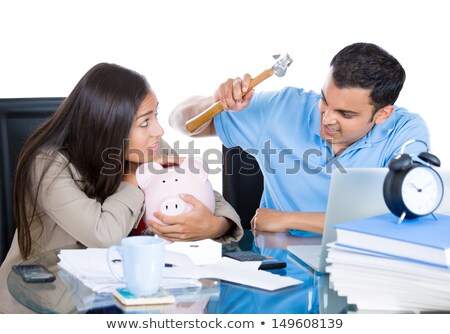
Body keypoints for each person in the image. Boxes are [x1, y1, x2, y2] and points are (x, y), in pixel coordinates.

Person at [0, 63, 242, 313]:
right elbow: (104, 235)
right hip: (51, 299)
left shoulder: (151, 147)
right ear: (108, 127)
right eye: (144, 122)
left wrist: (215, 225)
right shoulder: (49, 165)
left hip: (122, 292)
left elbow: (201, 190)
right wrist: (131, 178)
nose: (159, 131)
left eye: (155, 115)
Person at [169, 42, 430, 235]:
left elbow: (407, 213)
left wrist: (289, 219)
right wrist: (216, 101)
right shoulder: (283, 107)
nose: (327, 119)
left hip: (360, 266)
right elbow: (180, 121)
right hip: (279, 268)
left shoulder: (405, 132)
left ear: (382, 114)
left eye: (345, 114)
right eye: (325, 101)